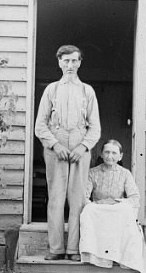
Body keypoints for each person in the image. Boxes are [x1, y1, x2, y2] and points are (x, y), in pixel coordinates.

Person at [34, 45, 101, 261]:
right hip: (57, 147)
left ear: (80, 62)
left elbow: (95, 127)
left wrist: (82, 147)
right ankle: (56, 248)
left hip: (81, 147)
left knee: (78, 199)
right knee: (55, 197)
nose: (70, 65)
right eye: (66, 61)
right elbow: (40, 125)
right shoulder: (51, 90)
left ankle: (73, 249)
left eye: (74, 61)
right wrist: (55, 145)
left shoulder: (87, 91)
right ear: (59, 63)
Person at [79, 139, 146, 273]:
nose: (110, 156)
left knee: (125, 210)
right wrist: (96, 205)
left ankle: (122, 258)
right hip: (99, 211)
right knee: (88, 210)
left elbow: (134, 198)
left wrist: (118, 203)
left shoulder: (125, 174)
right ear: (101, 154)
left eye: (114, 153)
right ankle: (95, 257)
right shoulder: (92, 173)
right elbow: (84, 197)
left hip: (116, 211)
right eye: (106, 152)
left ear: (120, 156)